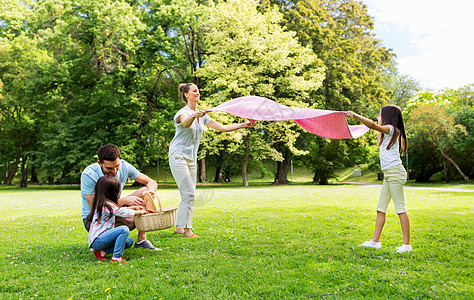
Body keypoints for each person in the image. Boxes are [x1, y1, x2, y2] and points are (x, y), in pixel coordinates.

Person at [169, 83, 253, 238]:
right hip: (178, 155)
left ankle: (179, 227)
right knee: (189, 194)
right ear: (186, 95)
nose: (198, 93)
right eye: (194, 91)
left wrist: (243, 125)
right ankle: (187, 230)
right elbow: (186, 124)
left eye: (198, 91)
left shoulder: (203, 115)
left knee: (188, 193)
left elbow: (222, 128)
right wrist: (194, 116)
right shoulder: (183, 112)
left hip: (191, 158)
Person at [346, 105, 412, 253]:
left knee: (400, 209)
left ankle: (406, 246)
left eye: (380, 115)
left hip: (395, 173)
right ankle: (375, 242)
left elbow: (373, 125)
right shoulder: (387, 133)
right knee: (380, 209)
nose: (377, 117)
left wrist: (356, 115)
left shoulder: (391, 129)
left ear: (388, 117)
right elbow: (372, 126)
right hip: (389, 174)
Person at [81, 144, 159, 250]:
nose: (114, 171)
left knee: (145, 192)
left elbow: (151, 182)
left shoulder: (124, 166)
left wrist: (150, 193)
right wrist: (123, 202)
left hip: (113, 209)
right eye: (109, 168)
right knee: (131, 219)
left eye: (116, 167)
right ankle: (103, 242)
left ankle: (141, 240)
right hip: (94, 219)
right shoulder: (90, 174)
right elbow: (95, 208)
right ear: (99, 163)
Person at [87, 176, 147, 262]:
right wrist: (138, 212)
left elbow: (119, 210)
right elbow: (122, 212)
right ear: (111, 192)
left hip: (102, 239)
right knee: (124, 229)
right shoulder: (105, 205)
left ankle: (102, 252)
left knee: (128, 242)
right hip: (97, 240)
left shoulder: (105, 204)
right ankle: (117, 257)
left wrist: (134, 208)